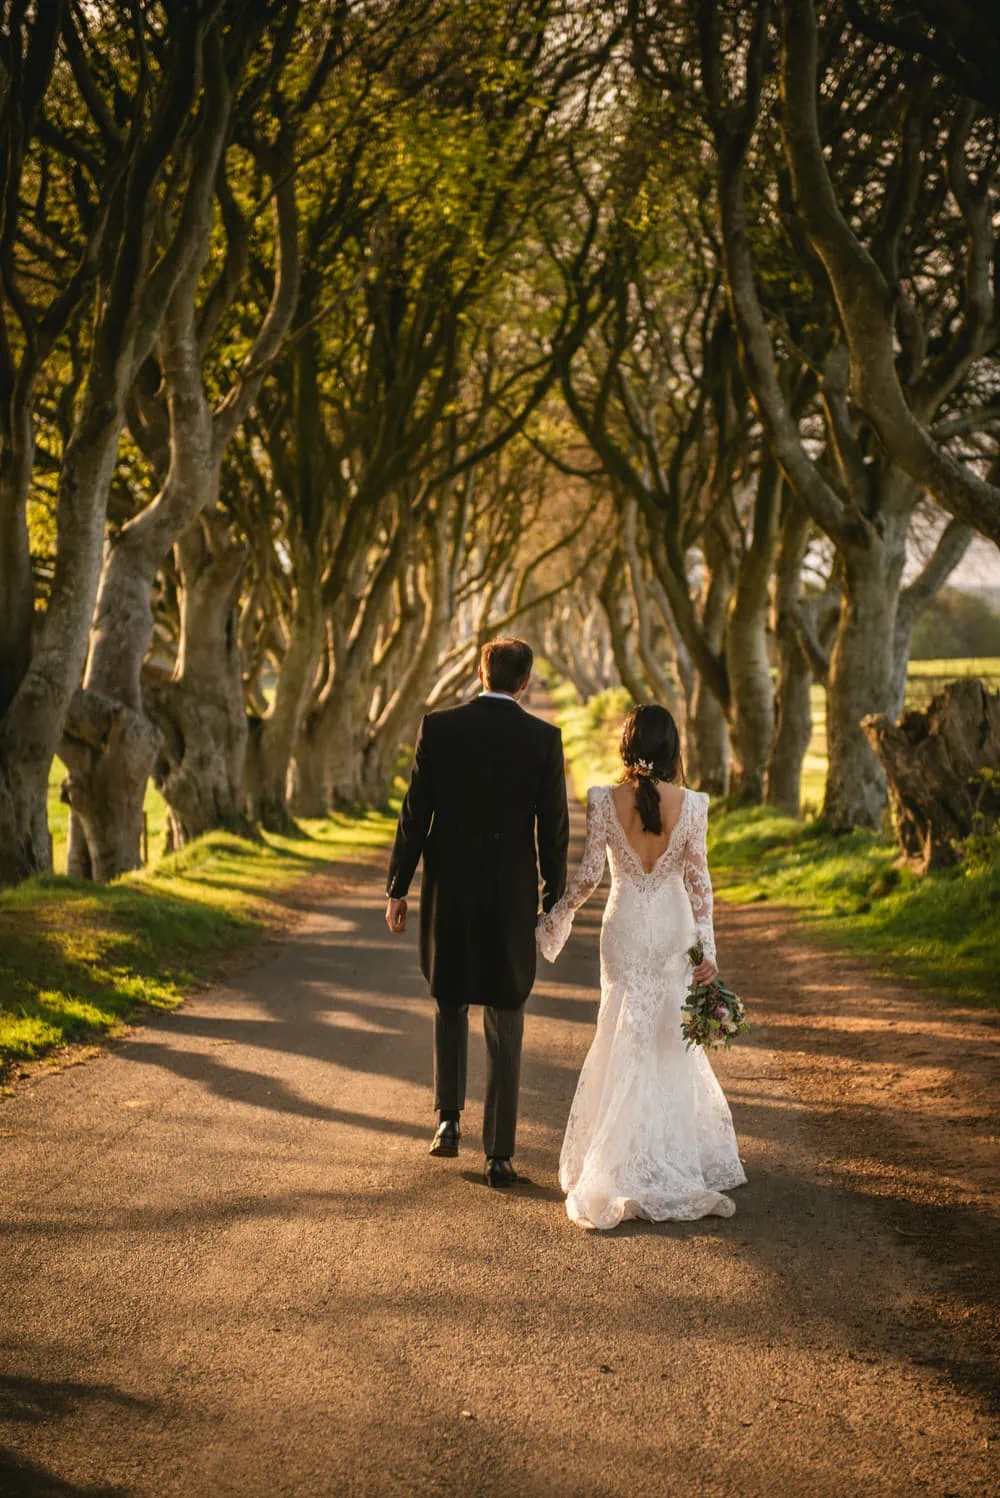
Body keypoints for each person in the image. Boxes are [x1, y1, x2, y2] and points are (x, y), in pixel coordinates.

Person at [537, 703, 746, 1229]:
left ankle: (618, 1153)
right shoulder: (693, 805)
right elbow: (700, 885)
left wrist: (555, 915)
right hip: (673, 929)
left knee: (620, 1032)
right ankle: (668, 1152)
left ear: (627, 747)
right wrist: (709, 950)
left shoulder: (605, 801)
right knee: (665, 1038)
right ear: (673, 750)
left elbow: (587, 878)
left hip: (625, 926)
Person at [385, 638, 570, 1187]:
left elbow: (415, 814)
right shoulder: (543, 739)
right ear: (526, 683)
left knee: (449, 998)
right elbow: (553, 828)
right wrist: (552, 899)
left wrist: (398, 888)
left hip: (451, 890)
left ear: (479, 672)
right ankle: (499, 1154)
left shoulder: (439, 727)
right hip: (510, 892)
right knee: (506, 1012)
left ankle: (447, 1120)